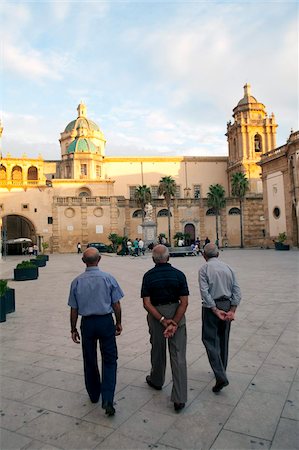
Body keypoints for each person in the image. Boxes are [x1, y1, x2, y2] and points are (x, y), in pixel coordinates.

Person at [68, 247, 124, 416]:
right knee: (110, 359)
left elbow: (74, 309)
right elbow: (116, 304)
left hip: (88, 323)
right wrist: (119, 322)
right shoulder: (108, 278)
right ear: (99, 259)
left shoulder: (76, 281)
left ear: (83, 261)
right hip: (105, 321)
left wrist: (73, 328)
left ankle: (94, 394)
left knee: (89, 358)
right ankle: (107, 398)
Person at [141, 244, 189, 412]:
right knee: (178, 354)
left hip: (156, 315)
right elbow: (184, 302)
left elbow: (146, 303)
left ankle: (156, 379)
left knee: (158, 349)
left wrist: (162, 320)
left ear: (154, 259)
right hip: (177, 312)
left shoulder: (148, 276)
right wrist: (174, 321)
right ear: (168, 258)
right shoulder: (179, 275)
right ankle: (180, 397)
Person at [199, 243, 241, 393]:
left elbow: (205, 292)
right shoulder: (229, 268)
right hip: (227, 304)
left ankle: (220, 375)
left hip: (212, 308)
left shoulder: (204, 269)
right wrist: (232, 310)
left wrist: (215, 310)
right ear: (218, 254)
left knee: (209, 340)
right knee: (223, 339)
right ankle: (222, 369)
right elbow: (237, 290)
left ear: (204, 256)